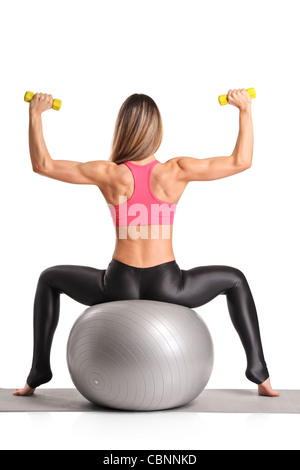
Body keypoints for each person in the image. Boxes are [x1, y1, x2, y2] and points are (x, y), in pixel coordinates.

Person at [14, 90, 279, 398]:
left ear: (122, 129)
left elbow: (43, 165)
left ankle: (38, 372)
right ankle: (259, 373)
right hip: (168, 284)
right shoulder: (176, 171)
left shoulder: (108, 174)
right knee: (234, 280)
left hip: (117, 284)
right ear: (157, 130)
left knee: (50, 278)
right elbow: (241, 161)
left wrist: (35, 114)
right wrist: (244, 109)